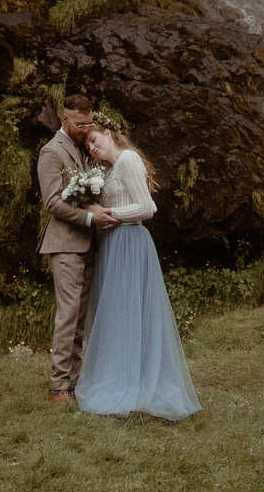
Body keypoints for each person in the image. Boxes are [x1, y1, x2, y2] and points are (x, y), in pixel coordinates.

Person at [73, 123, 201, 420]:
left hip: (130, 241)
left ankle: (139, 382)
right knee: (118, 314)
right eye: (88, 146)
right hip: (113, 245)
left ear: (108, 134)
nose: (92, 148)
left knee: (133, 312)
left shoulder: (128, 159)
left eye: (94, 140)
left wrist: (107, 214)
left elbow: (146, 207)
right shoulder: (107, 170)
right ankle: (120, 375)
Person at [33, 94, 106, 401]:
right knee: (68, 315)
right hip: (64, 245)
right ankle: (57, 387)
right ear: (64, 119)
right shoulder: (51, 152)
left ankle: (73, 385)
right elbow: (52, 202)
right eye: (80, 124)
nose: (85, 129)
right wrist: (89, 218)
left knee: (79, 317)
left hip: (87, 245)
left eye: (89, 123)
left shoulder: (82, 147)